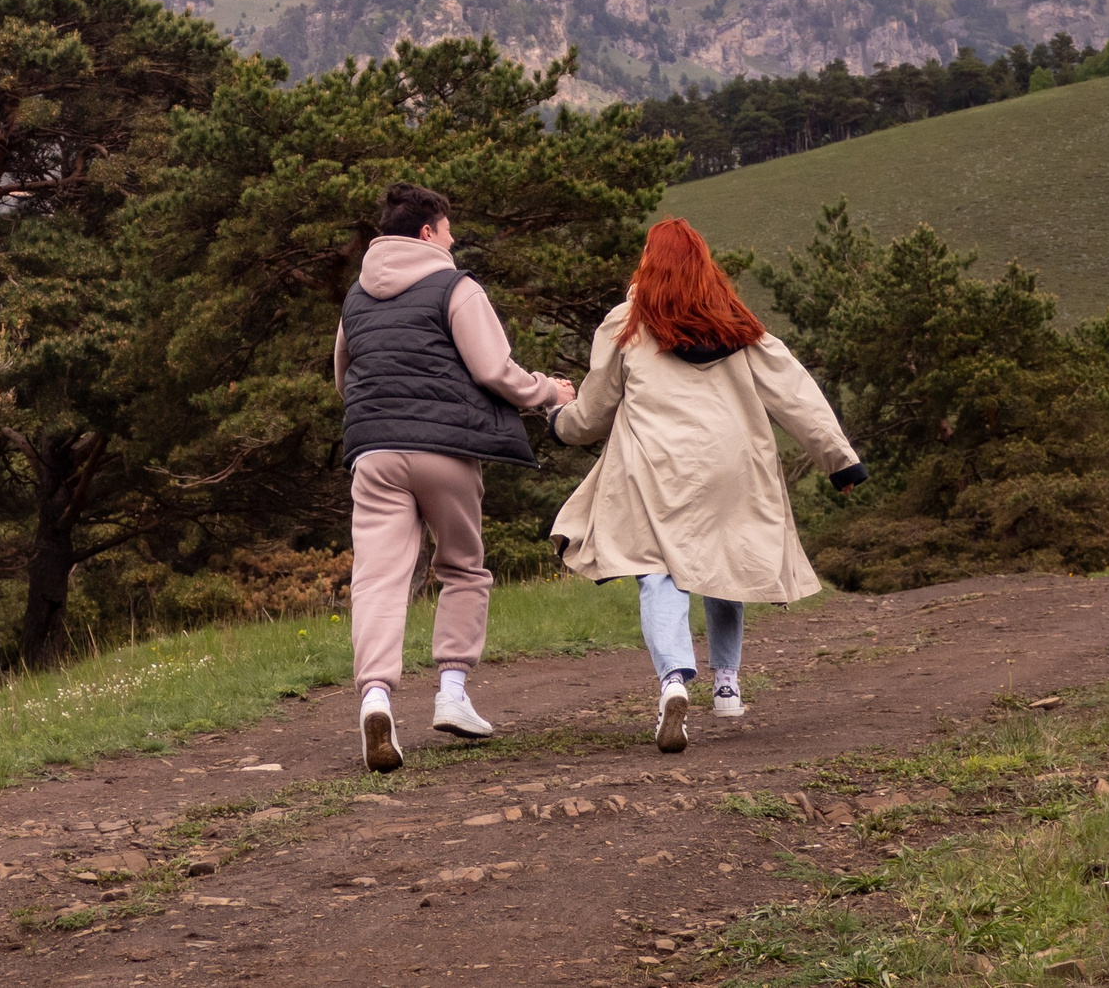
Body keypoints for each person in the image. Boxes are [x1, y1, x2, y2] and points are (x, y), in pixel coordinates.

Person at [548, 218, 866, 754]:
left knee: (658, 575)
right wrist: (840, 461)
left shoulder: (625, 324)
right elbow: (795, 394)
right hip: (732, 465)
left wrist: (559, 420)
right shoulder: (737, 324)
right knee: (725, 559)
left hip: (654, 469)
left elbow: (594, 412)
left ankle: (674, 682)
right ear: (704, 263)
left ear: (648, 262)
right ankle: (726, 684)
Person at [334, 182, 576, 772]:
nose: (452, 238)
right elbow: (494, 369)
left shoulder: (355, 298)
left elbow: (345, 378)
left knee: (379, 580)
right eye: (447, 229)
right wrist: (550, 392)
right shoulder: (455, 286)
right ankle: (452, 693)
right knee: (464, 567)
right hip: (445, 449)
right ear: (426, 233)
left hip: (374, 450)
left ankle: (376, 699)